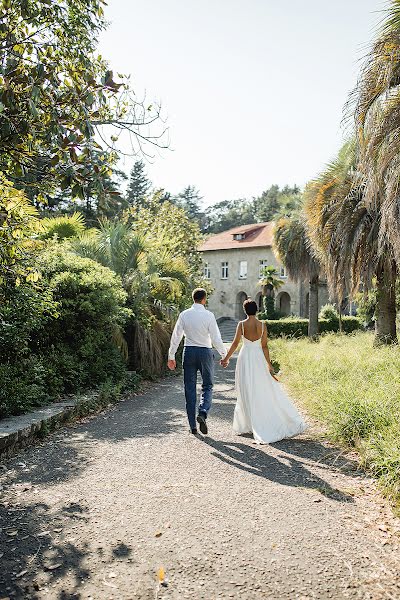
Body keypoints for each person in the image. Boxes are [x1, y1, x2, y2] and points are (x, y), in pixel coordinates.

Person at [220, 298, 306, 444]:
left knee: (246, 388)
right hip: (258, 358)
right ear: (257, 310)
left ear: (245, 310)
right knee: (261, 387)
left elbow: (235, 344)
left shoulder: (241, 325)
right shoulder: (262, 325)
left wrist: (226, 359)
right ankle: (261, 419)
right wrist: (269, 364)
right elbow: (265, 346)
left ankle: (249, 423)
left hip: (246, 357)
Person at [168, 288, 227, 435]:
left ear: (193, 298)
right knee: (207, 385)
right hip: (205, 353)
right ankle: (203, 412)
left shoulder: (184, 315)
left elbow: (176, 336)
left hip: (189, 352)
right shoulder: (209, 315)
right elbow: (215, 338)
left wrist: (171, 356)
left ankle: (193, 426)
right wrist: (223, 354)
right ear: (204, 299)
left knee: (189, 388)